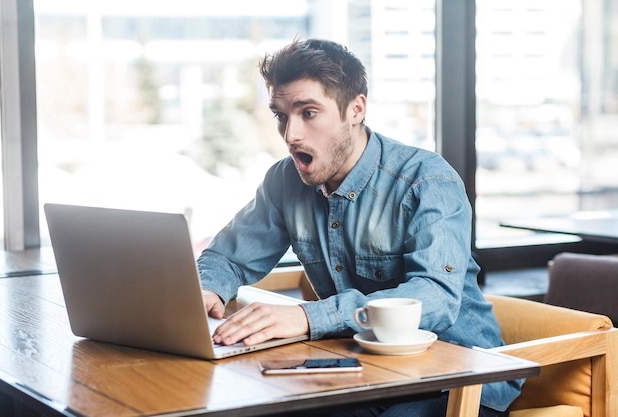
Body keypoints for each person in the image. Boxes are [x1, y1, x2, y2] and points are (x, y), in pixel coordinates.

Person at [196, 38, 521, 417]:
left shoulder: (427, 181)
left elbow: (435, 296)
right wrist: (207, 291)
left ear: (356, 109)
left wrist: (306, 317)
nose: (290, 135)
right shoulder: (285, 181)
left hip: (459, 376)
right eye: (281, 116)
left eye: (309, 113)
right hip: (366, 369)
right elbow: (229, 257)